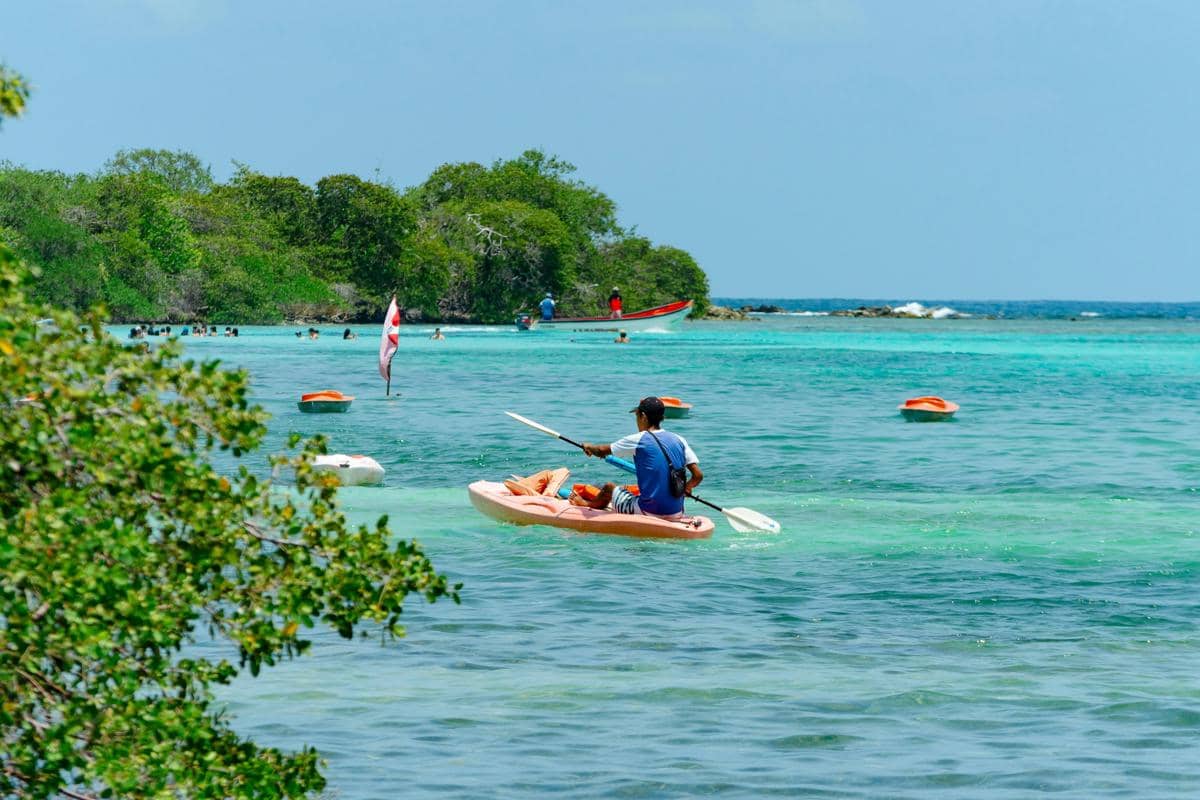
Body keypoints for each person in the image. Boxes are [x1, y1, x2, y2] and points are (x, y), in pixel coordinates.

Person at [577, 396, 702, 517]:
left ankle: (588, 504)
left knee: (609, 488)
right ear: (662, 417)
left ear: (643, 417)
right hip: (676, 512)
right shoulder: (679, 439)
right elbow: (698, 476)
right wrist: (687, 487)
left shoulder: (639, 439)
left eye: (637, 416)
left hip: (647, 511)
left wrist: (588, 447)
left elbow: (600, 450)